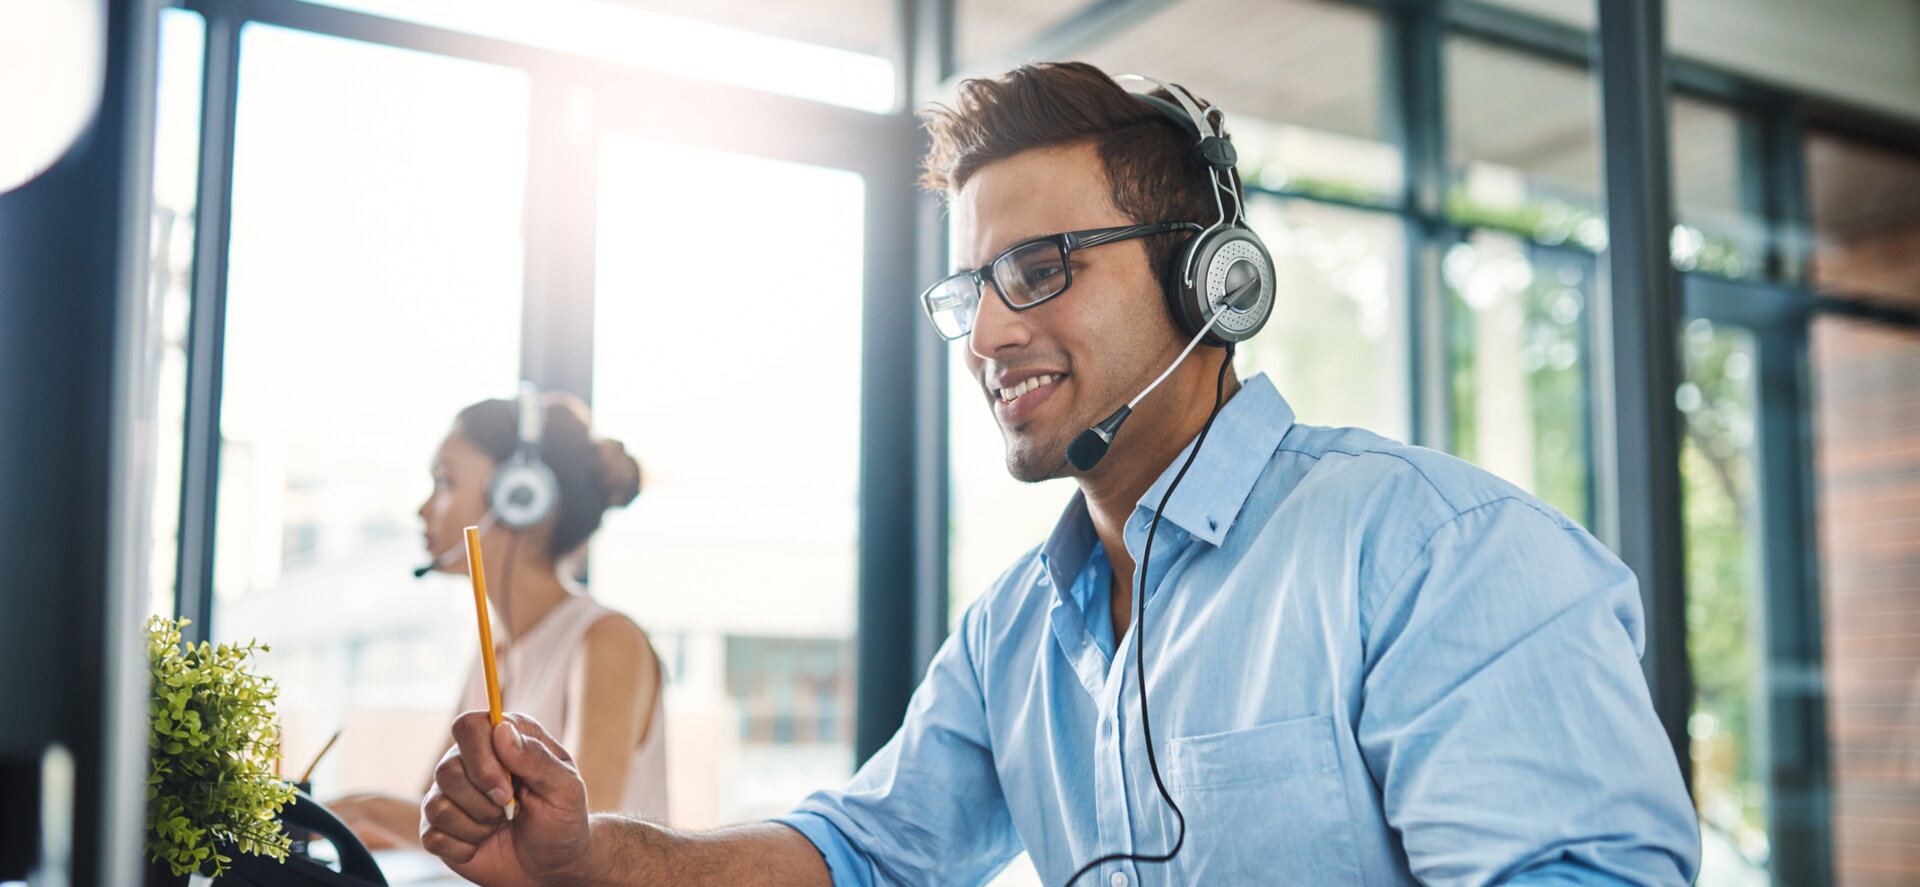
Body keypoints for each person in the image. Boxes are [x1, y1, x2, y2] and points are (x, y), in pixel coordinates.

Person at [417, 63, 1700, 885]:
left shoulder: (1436, 551)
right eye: (970, 289)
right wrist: (590, 854)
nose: (985, 333)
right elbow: (865, 848)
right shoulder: (1015, 633)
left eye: (1041, 269)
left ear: (1213, 279)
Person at [331, 390, 668, 850]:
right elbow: (434, 819)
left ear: (518, 496)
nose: (423, 509)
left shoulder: (608, 641)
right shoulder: (496, 650)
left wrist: (363, 808)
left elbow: (578, 843)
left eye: (445, 482)